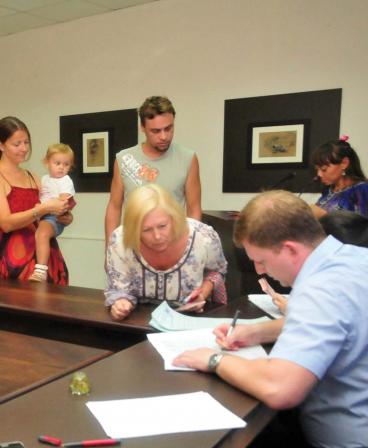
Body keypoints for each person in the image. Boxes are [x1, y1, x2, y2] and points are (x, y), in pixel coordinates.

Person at [173, 190, 368, 447]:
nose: (260, 271)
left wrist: (214, 360)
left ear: (289, 249)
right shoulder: (354, 258)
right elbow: (341, 320)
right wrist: (255, 332)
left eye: (261, 260)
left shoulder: (319, 290)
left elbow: (280, 389)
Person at [105, 184, 227, 321]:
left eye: (162, 226)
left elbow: (217, 271)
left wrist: (203, 294)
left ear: (173, 218)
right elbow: (119, 288)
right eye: (146, 230)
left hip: (190, 319)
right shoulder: (120, 240)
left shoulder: (203, 236)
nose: (157, 236)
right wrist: (121, 303)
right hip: (139, 320)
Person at [0, 116, 71, 284]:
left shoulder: (33, 177)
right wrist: (43, 209)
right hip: (16, 259)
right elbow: (6, 223)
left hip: (45, 257)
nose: (23, 148)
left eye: (26, 142)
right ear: (1, 145)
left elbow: (49, 214)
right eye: (17, 144)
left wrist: (65, 217)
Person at [104, 96, 202, 243]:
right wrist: (109, 249)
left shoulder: (188, 158)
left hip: (173, 247)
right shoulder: (124, 159)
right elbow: (114, 207)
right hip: (134, 246)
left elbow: (194, 209)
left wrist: (190, 246)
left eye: (168, 128)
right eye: (156, 131)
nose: (164, 136)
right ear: (142, 128)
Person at [30, 143, 76, 282]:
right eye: (57, 163)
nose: (61, 167)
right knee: (40, 235)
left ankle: (40, 270)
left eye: (66, 164)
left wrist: (46, 207)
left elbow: (63, 201)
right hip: (42, 214)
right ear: (47, 162)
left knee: (42, 234)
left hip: (54, 217)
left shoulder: (65, 180)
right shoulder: (44, 179)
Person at [309, 135, 367, 218]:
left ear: (344, 163)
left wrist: (324, 215)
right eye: (317, 169)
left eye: (324, 169)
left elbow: (363, 227)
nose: (319, 174)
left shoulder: (362, 190)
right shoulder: (328, 190)